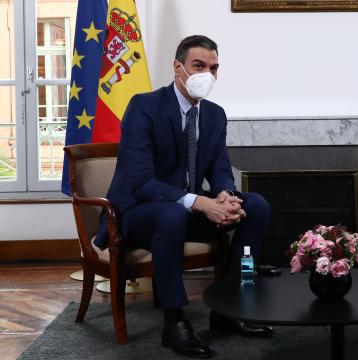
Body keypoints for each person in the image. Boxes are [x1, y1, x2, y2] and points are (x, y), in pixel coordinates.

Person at [97, 35, 272, 358]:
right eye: (199, 65)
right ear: (178, 68)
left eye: (214, 68)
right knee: (173, 213)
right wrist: (202, 203)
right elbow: (140, 181)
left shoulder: (214, 115)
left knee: (256, 206)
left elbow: (220, 167)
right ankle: (174, 321)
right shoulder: (144, 106)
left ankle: (230, 308)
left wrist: (224, 197)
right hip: (138, 213)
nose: (208, 74)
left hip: (183, 211)